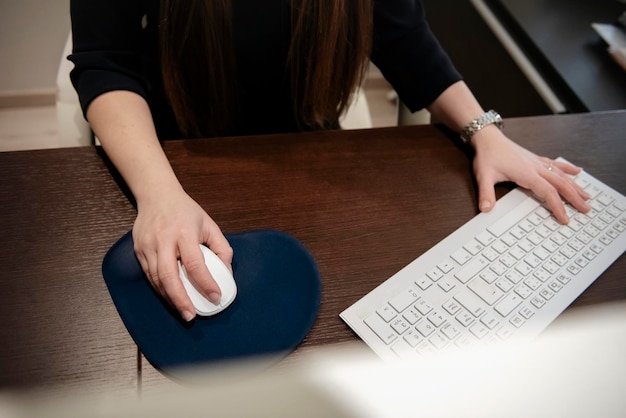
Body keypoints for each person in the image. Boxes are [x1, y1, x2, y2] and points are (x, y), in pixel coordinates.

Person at [69, 0, 591, 322]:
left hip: (307, 154)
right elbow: (104, 62)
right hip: (169, 155)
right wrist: (160, 196)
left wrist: (484, 131)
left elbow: (402, 33)